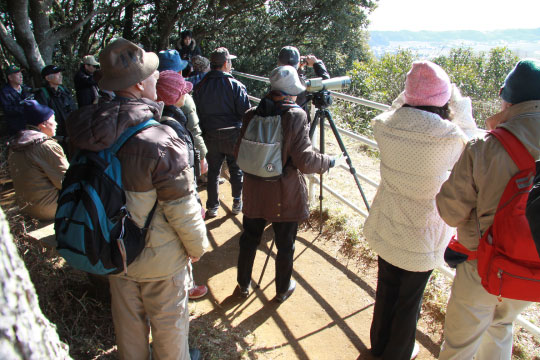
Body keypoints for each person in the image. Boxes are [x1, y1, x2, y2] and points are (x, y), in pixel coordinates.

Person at [66, 37, 209, 360]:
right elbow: (182, 207)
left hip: (113, 249)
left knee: (129, 328)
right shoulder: (159, 138)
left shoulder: (88, 128)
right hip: (158, 259)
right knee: (169, 330)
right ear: (139, 84)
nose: (157, 77)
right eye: (153, 74)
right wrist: (197, 248)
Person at [362, 61, 475, 360]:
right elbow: (474, 142)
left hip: (387, 222)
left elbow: (395, 107)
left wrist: (411, 95)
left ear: (409, 94)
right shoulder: (450, 137)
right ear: (443, 98)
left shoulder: (384, 126)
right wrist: (459, 101)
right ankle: (397, 353)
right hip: (424, 234)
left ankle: (378, 345)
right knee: (409, 299)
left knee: (386, 288)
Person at [436, 59, 540, 360]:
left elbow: (450, 211)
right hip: (533, 268)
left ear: (507, 100)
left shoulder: (484, 146)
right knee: (502, 324)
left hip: (483, 265)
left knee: (459, 346)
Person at [235, 65, 338, 302]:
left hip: (253, 188)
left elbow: (238, 150)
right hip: (284, 192)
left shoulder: (251, 113)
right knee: (285, 244)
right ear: (293, 92)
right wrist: (329, 161)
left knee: (249, 238)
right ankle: (282, 289)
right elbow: (305, 161)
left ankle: (242, 284)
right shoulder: (295, 116)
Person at [156, 70, 209, 301]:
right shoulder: (173, 124)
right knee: (181, 238)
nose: (185, 94)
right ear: (175, 95)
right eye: (182, 91)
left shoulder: (159, 117)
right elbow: (182, 176)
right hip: (180, 192)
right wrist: (195, 203)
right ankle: (185, 287)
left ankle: (185, 284)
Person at [193, 47, 250, 218]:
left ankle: (212, 207)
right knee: (236, 169)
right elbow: (245, 112)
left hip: (209, 134)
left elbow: (197, 112)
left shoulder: (200, 86)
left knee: (213, 172)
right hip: (233, 133)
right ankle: (237, 201)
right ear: (226, 63)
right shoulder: (235, 85)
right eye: (230, 61)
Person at [8, 100, 68, 220]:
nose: (56, 123)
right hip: (49, 209)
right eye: (53, 119)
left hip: (27, 207)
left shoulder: (15, 144)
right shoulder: (46, 146)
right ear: (43, 124)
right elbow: (66, 181)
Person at [158, 49, 207, 178]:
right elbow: (194, 130)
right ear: (179, 72)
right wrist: (202, 156)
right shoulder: (183, 98)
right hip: (182, 159)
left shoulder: (150, 93)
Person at [277, 46, 330, 120]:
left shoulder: (275, 80)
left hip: (277, 125)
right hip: (298, 125)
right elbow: (326, 83)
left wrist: (298, 69)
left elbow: (289, 76)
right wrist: (317, 63)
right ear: (298, 62)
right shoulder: (301, 85)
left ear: (278, 62)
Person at [35, 65, 77, 137]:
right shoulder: (42, 94)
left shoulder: (63, 90)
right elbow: (43, 117)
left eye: (61, 74)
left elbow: (73, 107)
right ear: (48, 78)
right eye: (57, 74)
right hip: (56, 133)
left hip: (71, 130)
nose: (61, 76)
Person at [0, 65, 33, 135]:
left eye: (21, 74)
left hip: (31, 125)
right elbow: (8, 109)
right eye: (18, 75)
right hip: (16, 128)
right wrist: (24, 107)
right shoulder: (4, 92)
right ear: (10, 78)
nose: (21, 76)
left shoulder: (26, 89)